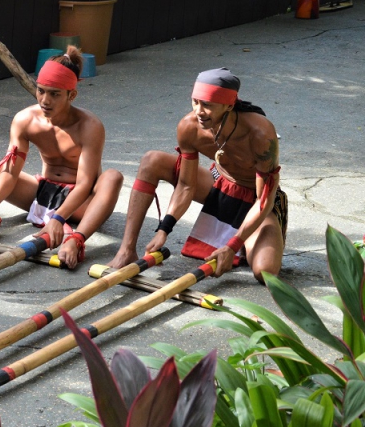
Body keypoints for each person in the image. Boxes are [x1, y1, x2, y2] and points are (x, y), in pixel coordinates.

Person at [0, 48, 122, 269]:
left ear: (72, 95)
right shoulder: (25, 119)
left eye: (54, 94)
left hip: (83, 202)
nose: (45, 100)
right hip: (43, 194)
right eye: (41, 91)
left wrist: (58, 220)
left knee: (113, 177)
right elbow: (10, 170)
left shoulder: (90, 126)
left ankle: (76, 240)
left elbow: (86, 183)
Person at [107, 68, 285, 282]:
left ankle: (249, 241)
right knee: (151, 160)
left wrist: (232, 245)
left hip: (256, 200)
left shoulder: (260, 134)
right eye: (195, 102)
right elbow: (186, 184)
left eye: (207, 105)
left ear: (229, 105)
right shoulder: (189, 126)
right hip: (219, 184)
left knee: (266, 273)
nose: (198, 111)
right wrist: (164, 229)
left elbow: (264, 199)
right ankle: (126, 250)